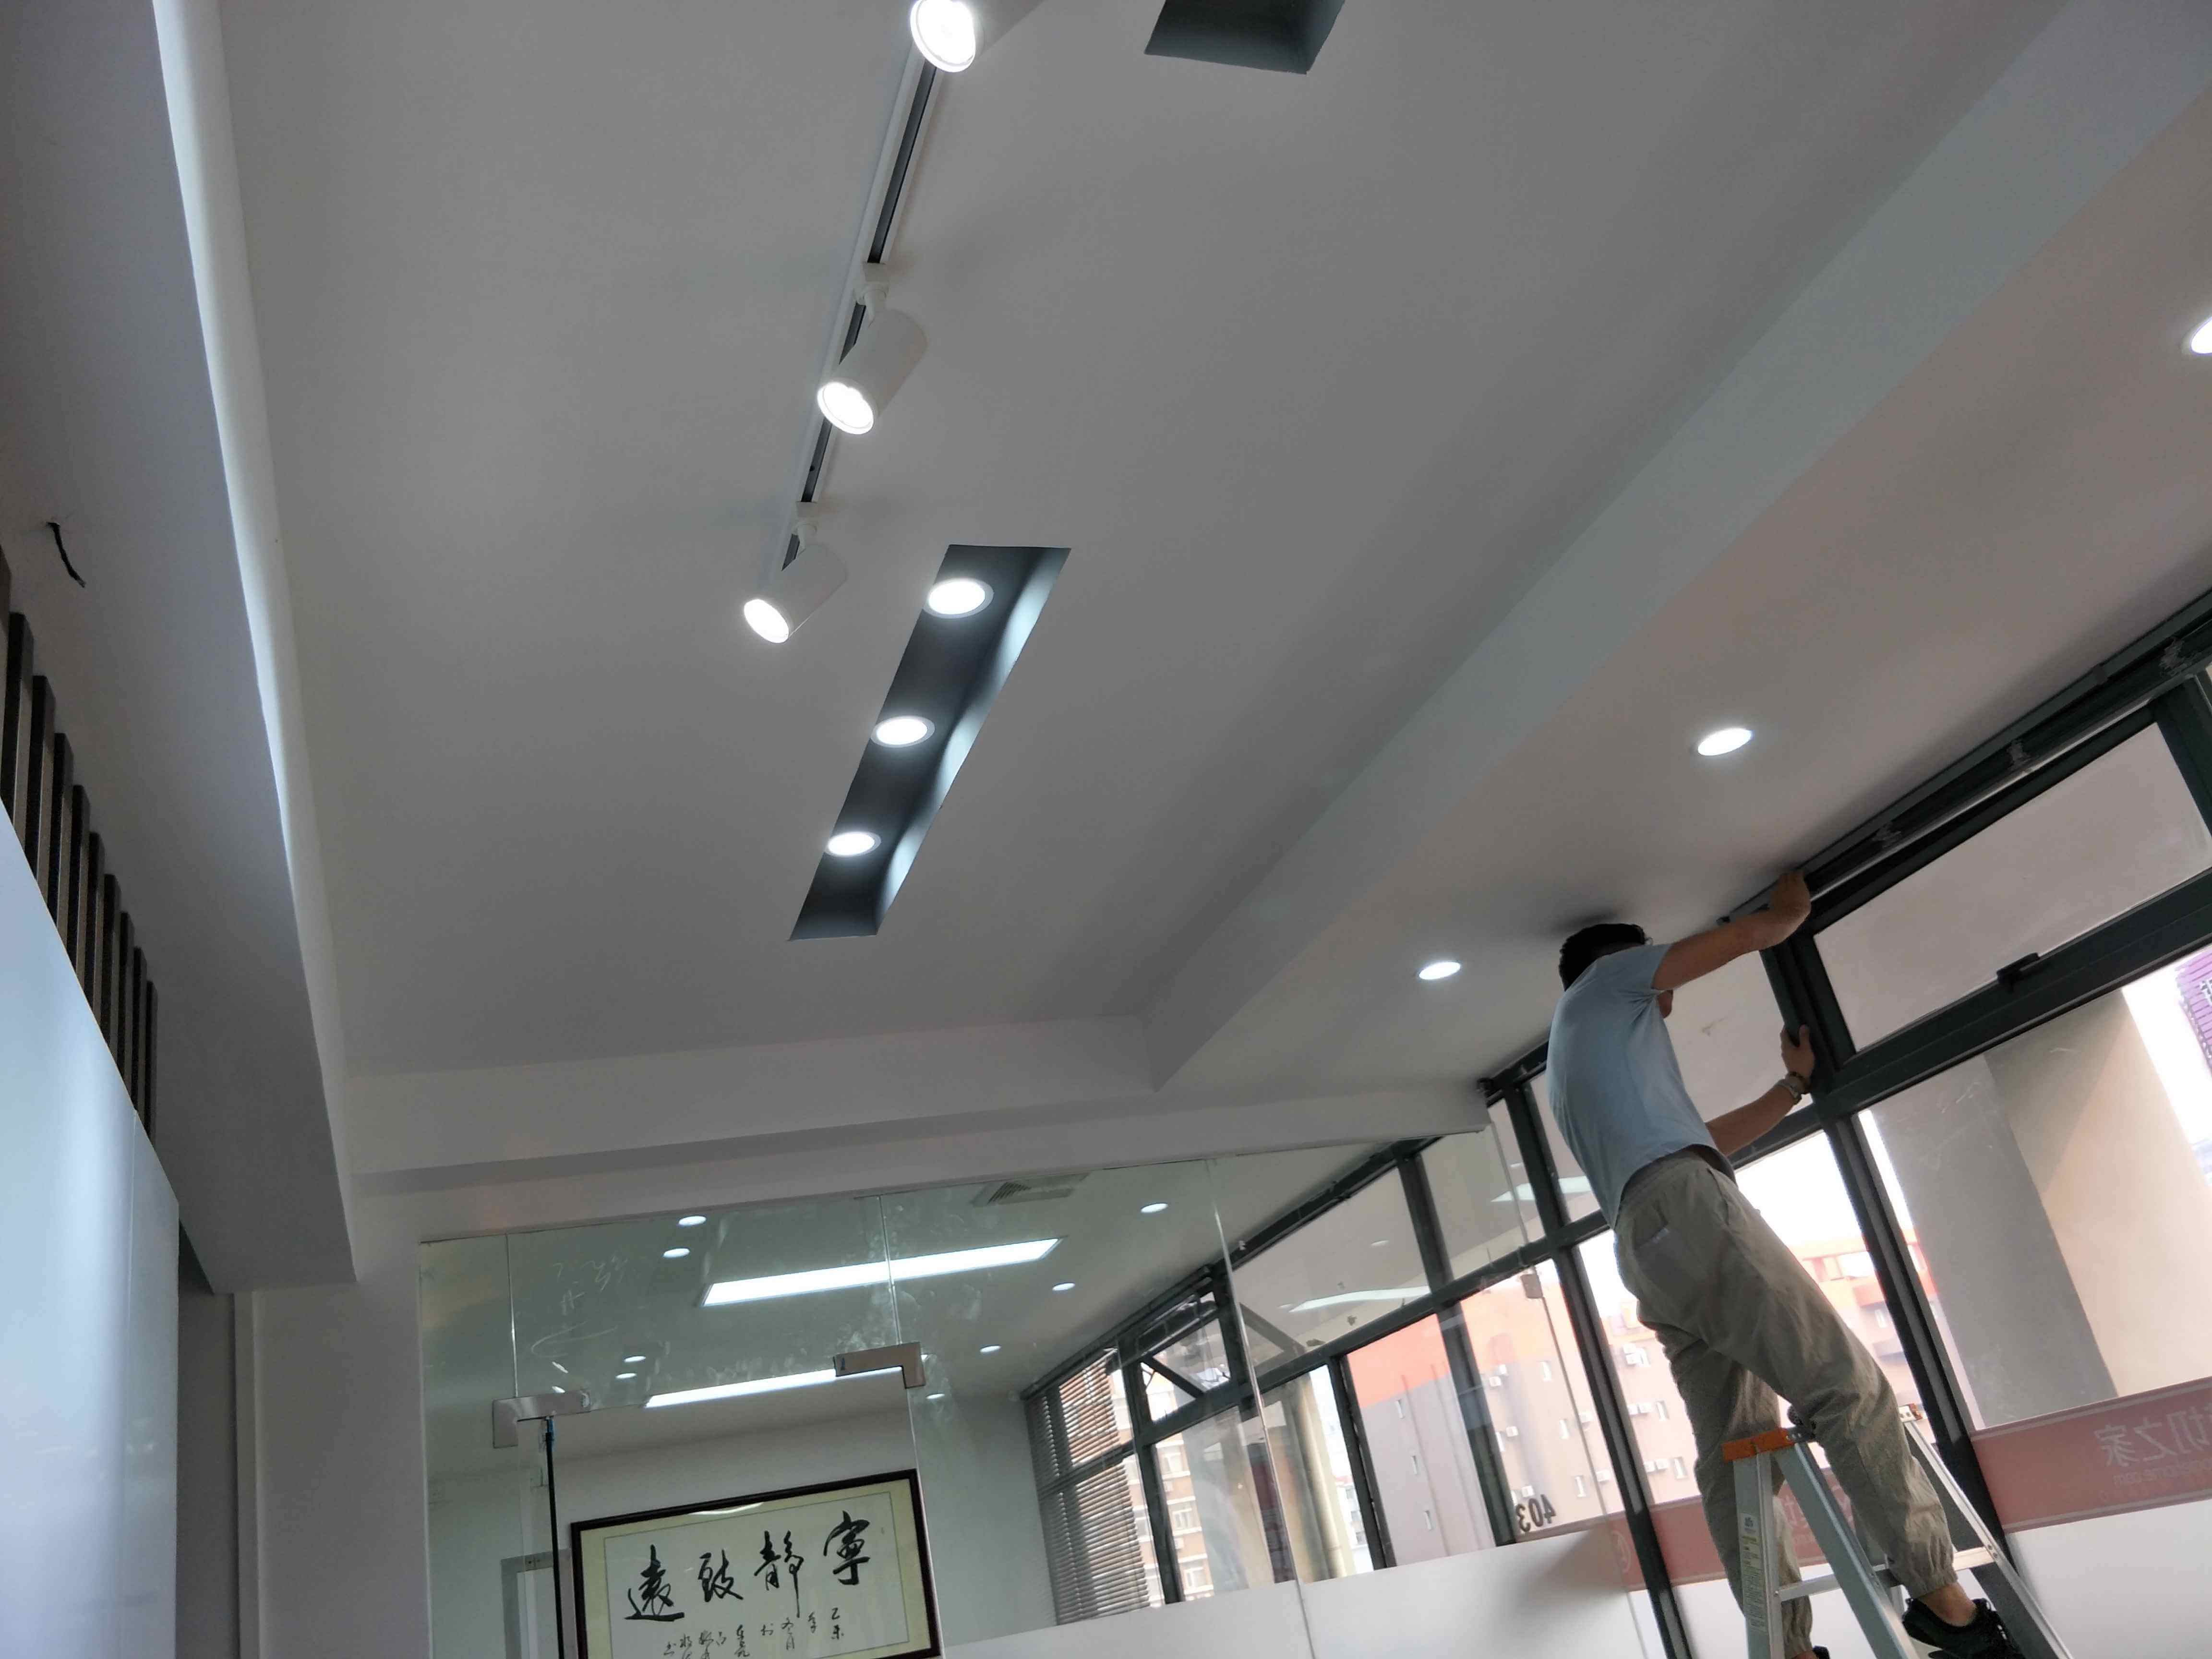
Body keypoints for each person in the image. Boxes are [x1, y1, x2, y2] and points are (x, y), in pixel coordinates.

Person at [1546, 871, 2020, 1659]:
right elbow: (1739, 940)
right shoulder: (1604, 984)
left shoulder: (1582, 1061)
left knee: (1737, 1450)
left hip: (1646, 1243)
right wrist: (1787, 913)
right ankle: (1945, 1604)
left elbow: (1706, 1137)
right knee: (1847, 1388)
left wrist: (1793, 1086)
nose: (1667, 987)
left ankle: (1785, 1648)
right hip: (1687, 1210)